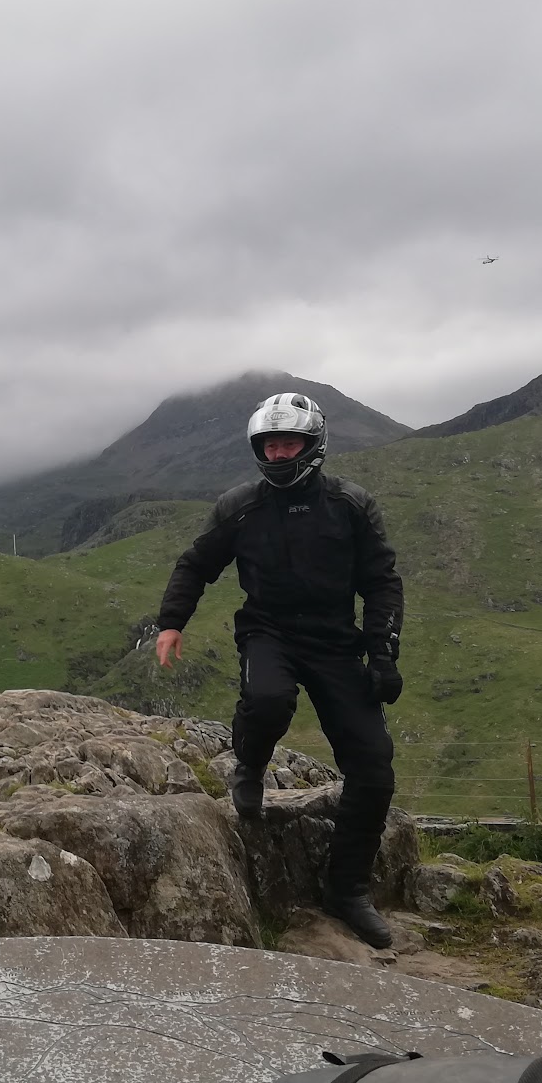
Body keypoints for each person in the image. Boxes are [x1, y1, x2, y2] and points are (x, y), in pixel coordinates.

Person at [153, 393, 404, 948]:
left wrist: (383, 652)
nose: (278, 453)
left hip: (336, 642)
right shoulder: (241, 506)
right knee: (268, 700)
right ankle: (249, 766)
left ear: (313, 445)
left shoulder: (350, 504)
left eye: (289, 443)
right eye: (269, 444)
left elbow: (381, 580)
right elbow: (197, 563)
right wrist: (172, 622)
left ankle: (347, 890)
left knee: (374, 768)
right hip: (267, 631)